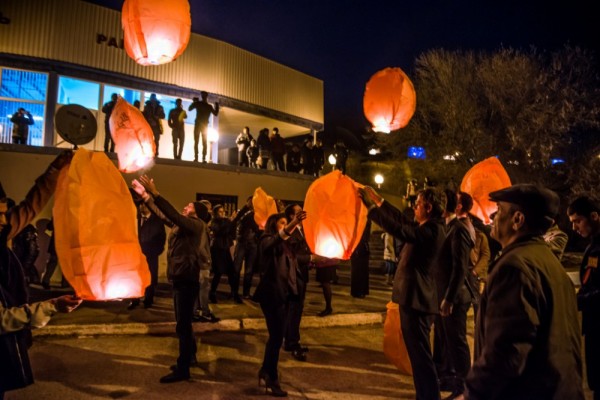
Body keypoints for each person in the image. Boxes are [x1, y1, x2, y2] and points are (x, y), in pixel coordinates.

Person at [461, 184, 583, 400]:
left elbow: (506, 353)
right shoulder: (546, 262)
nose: (492, 215)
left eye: (499, 209)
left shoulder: (515, 268)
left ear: (517, 219)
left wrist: (474, 393)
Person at [0, 153, 83, 400]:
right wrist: (50, 306)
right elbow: (2, 319)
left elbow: (31, 205)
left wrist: (56, 168)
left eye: (5, 212)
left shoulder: (2, 230)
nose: (5, 220)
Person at [359, 186, 446, 400]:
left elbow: (401, 230)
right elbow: (403, 222)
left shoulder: (433, 230)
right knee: (417, 356)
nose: (413, 208)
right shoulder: (426, 226)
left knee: (421, 357)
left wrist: (372, 210)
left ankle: (430, 396)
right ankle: (424, 395)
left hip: (418, 301)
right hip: (413, 299)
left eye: (417, 204)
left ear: (428, 207)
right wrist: (380, 202)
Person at [131, 175, 210, 383]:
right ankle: (190, 356)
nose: (186, 206)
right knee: (183, 324)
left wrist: (156, 194)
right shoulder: (182, 226)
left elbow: (173, 215)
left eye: (190, 205)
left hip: (187, 279)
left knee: (182, 325)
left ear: (197, 213)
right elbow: (163, 216)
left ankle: (183, 368)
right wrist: (147, 197)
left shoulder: (197, 225)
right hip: (179, 277)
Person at [253, 211, 306, 397]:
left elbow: (297, 251)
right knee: (276, 337)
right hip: (271, 295)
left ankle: (266, 371)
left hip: (285, 295)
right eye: (282, 223)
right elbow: (274, 241)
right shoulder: (266, 240)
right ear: (273, 225)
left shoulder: (287, 245)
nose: (286, 225)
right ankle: (271, 377)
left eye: (287, 222)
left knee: (277, 337)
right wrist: (292, 223)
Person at [433, 191, 474, 399]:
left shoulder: (459, 230)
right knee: (446, 340)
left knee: (457, 342)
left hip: (455, 298)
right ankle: (450, 379)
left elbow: (460, 268)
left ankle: (463, 387)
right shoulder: (447, 227)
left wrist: (449, 298)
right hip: (443, 295)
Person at [567, 196, 600, 400]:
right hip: (594, 325)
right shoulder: (593, 246)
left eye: (577, 221)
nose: (574, 227)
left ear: (594, 216)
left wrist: (575, 302)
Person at [282, 204, 315, 362]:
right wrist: (311, 259)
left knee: (296, 309)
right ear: (291, 216)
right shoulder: (291, 233)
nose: (302, 212)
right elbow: (292, 257)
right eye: (298, 211)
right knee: (293, 310)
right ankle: (292, 342)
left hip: (302, 274)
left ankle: (291, 340)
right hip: (295, 277)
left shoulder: (301, 230)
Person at [128, 201, 166, 310]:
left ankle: (148, 300)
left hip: (150, 255)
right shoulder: (136, 219)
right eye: (141, 205)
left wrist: (156, 252)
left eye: (144, 204)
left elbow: (161, 238)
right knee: (134, 278)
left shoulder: (157, 220)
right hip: (136, 255)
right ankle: (134, 300)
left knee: (149, 278)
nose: (142, 206)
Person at [209, 205, 238, 304]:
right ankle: (212, 293)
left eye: (223, 211)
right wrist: (230, 220)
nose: (223, 213)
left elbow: (230, 231)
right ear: (216, 213)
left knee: (231, 271)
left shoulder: (226, 221)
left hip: (225, 248)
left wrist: (232, 221)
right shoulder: (214, 222)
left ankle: (234, 293)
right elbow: (219, 231)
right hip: (217, 249)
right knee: (218, 272)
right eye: (220, 212)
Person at [232, 196, 260, 299]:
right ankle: (234, 292)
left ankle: (246, 293)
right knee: (236, 268)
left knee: (249, 270)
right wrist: (245, 208)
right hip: (242, 242)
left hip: (253, 243)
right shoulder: (244, 213)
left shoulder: (258, 214)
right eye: (250, 201)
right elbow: (236, 221)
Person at [188, 91, 219, 163]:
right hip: (203, 125)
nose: (203, 96)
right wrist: (216, 106)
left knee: (200, 142)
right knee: (201, 142)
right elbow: (216, 113)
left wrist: (194, 102)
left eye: (203, 95)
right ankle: (201, 158)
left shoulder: (201, 104)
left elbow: (189, 109)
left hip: (201, 125)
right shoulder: (207, 106)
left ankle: (200, 158)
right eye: (203, 95)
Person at [350, 219, 371, 298]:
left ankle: (359, 291)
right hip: (358, 251)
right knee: (358, 272)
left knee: (361, 272)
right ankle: (358, 291)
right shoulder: (360, 226)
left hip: (360, 250)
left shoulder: (362, 226)